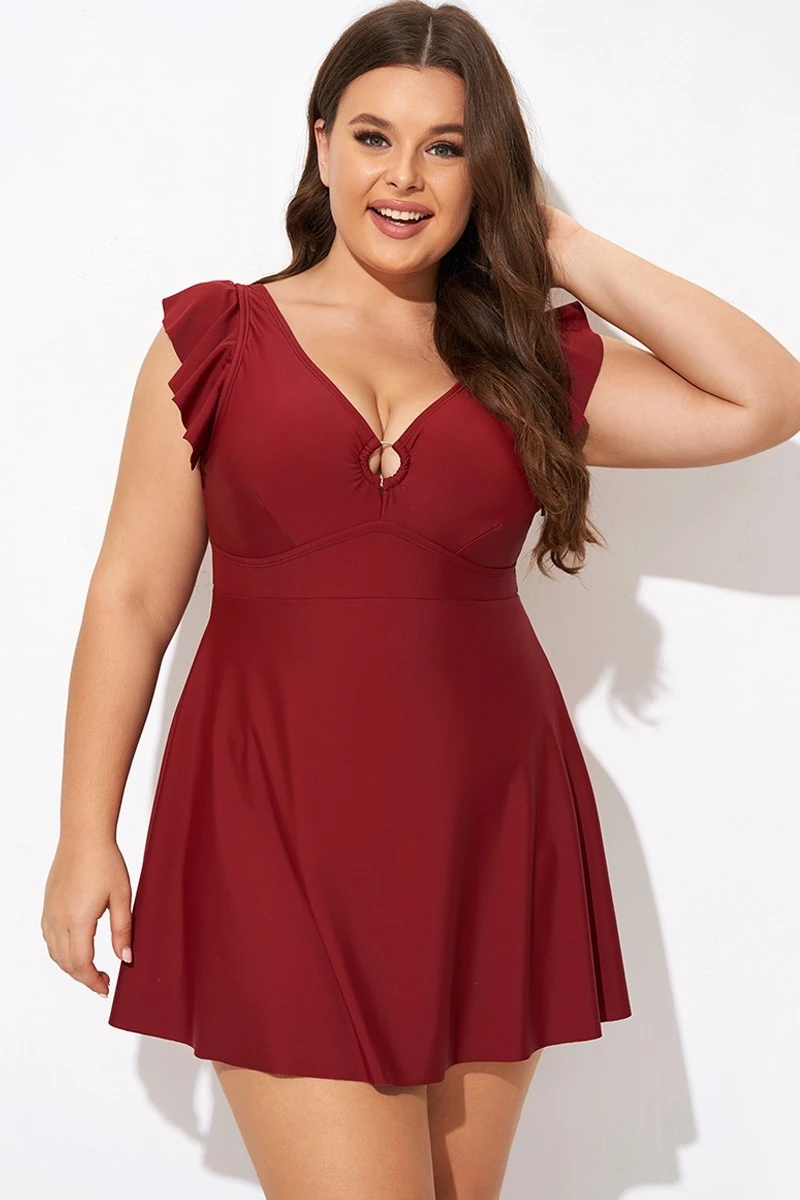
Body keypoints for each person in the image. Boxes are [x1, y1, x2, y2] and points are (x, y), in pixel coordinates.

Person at [41, 2, 800, 1197]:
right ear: (320, 145)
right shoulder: (216, 340)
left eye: (445, 147)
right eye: (372, 137)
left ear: (483, 168)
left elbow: (763, 398)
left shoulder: (525, 362)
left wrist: (557, 243)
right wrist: (86, 832)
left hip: (485, 828)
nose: (402, 176)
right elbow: (132, 594)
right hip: (267, 820)